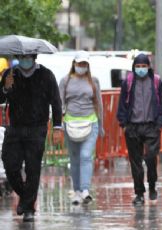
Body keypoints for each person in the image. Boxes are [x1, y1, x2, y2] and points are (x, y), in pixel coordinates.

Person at [0, 54, 62, 222]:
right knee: (10, 165)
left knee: (32, 168)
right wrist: (5, 87)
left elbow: (56, 101)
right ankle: (27, 197)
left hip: (37, 128)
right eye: (21, 56)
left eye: (28, 56)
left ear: (34, 57)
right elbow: (0, 98)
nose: (24, 59)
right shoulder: (10, 74)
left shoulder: (46, 75)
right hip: (15, 128)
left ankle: (28, 209)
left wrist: (57, 127)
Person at [116, 53, 162, 205]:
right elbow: (122, 105)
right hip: (133, 127)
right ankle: (139, 193)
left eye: (144, 66)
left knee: (151, 158)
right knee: (135, 162)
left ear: (149, 66)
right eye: (138, 66)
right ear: (133, 67)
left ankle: (152, 186)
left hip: (151, 126)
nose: (141, 69)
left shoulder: (156, 81)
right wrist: (124, 124)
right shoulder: (128, 82)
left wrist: (160, 123)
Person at [59, 51, 104, 205]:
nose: (82, 66)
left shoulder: (94, 81)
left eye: (84, 64)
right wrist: (59, 126)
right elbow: (60, 103)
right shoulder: (65, 81)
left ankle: (85, 190)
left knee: (85, 156)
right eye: (79, 63)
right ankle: (77, 191)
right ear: (74, 64)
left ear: (88, 65)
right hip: (70, 124)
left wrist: (102, 125)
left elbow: (99, 104)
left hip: (91, 123)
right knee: (74, 158)